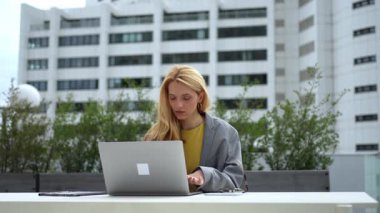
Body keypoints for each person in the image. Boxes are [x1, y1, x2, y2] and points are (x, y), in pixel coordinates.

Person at [144, 65, 244, 192]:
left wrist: (205, 175)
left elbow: (234, 180)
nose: (178, 105)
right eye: (172, 97)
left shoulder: (225, 132)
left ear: (200, 97)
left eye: (186, 98)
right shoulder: (156, 134)